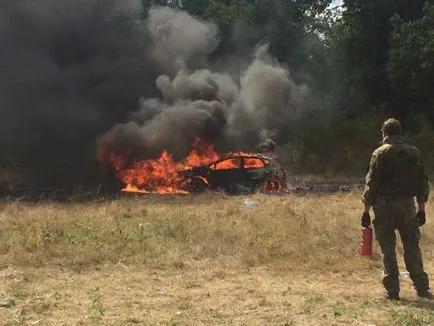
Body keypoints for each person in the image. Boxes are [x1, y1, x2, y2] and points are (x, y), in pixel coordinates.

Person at [361, 117, 432, 300]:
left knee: (388, 248)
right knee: (412, 246)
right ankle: (422, 288)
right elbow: (422, 182)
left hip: (383, 206)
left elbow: (372, 183)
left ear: (384, 132)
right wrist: (422, 208)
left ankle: (392, 291)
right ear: (400, 132)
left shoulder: (379, 153)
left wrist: (365, 210)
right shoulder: (414, 152)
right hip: (407, 205)